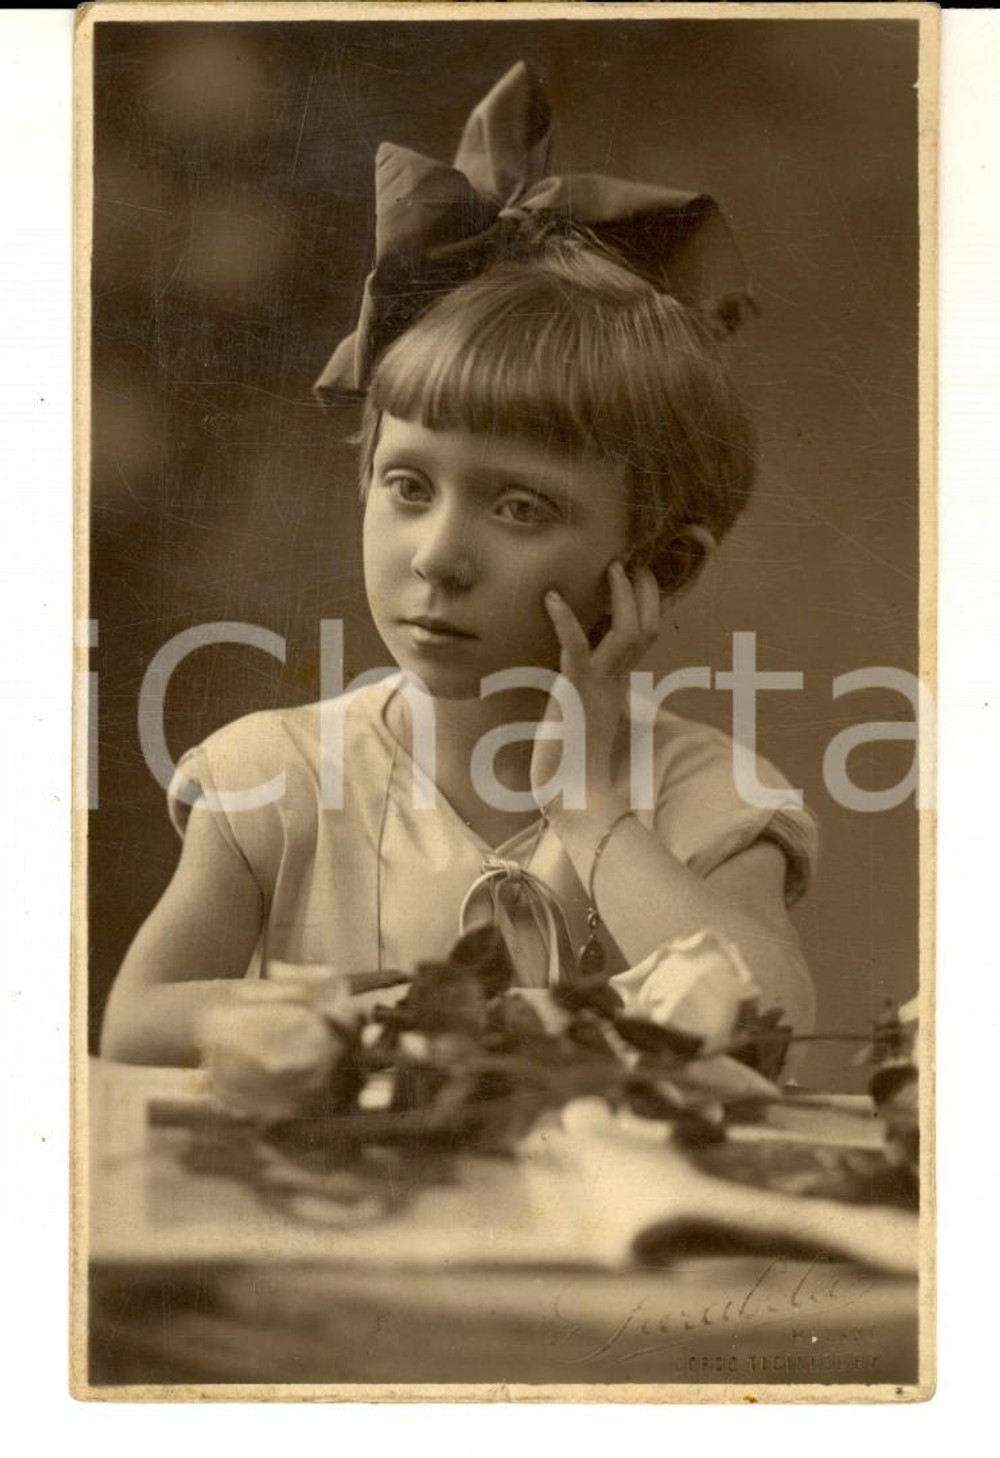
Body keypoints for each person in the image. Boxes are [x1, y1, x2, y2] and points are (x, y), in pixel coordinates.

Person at [100, 62, 818, 1068]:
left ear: (660, 565)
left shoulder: (702, 799)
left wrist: (593, 811)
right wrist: (397, 1023)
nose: (438, 558)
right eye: (407, 487)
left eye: (520, 507)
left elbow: (762, 1030)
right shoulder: (279, 778)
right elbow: (135, 1026)